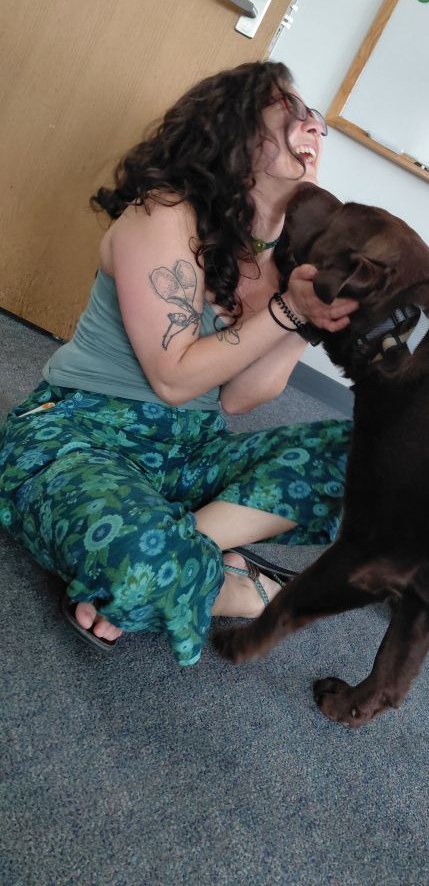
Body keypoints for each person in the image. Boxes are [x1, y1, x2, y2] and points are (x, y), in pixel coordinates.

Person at [0, 60, 358, 665]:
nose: (315, 130)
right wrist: (282, 311)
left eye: (317, 122)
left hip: (190, 450)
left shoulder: (279, 257)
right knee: (134, 561)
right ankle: (243, 589)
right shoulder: (163, 214)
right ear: (237, 130)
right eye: (295, 115)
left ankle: (182, 549)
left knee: (363, 460)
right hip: (83, 435)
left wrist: (309, 313)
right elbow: (172, 378)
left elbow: (240, 397)